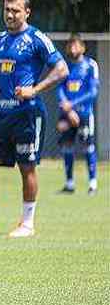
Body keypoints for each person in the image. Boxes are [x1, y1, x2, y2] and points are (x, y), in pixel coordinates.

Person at [0, 0, 67, 238]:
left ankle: (28, 224)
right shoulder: (0, 40)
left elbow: (61, 69)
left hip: (27, 114)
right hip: (3, 114)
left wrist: (35, 89)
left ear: (27, 12)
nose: (10, 15)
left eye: (15, 11)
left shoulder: (37, 38)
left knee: (26, 166)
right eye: (7, 10)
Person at [56, 33, 100, 195]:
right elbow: (60, 89)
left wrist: (72, 105)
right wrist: (67, 109)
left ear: (83, 47)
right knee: (67, 146)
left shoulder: (90, 66)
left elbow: (93, 92)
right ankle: (69, 184)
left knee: (87, 146)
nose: (73, 48)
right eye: (70, 45)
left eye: (76, 45)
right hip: (68, 114)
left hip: (84, 114)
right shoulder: (65, 67)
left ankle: (92, 184)